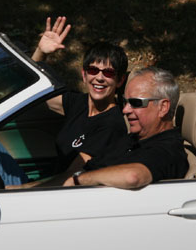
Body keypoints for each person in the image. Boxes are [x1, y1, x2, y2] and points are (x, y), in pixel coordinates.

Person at [32, 16, 130, 174]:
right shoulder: (78, 102)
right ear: (84, 75)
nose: (99, 77)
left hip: (58, 191)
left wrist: (21, 189)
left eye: (108, 72)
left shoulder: (111, 125)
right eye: (93, 70)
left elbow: (70, 179)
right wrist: (41, 52)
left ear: (120, 80)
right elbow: (34, 92)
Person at [63, 66, 188, 189]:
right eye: (125, 102)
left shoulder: (168, 151)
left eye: (136, 103)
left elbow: (132, 176)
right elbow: (92, 164)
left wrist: (78, 180)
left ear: (163, 107)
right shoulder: (131, 139)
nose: (125, 110)